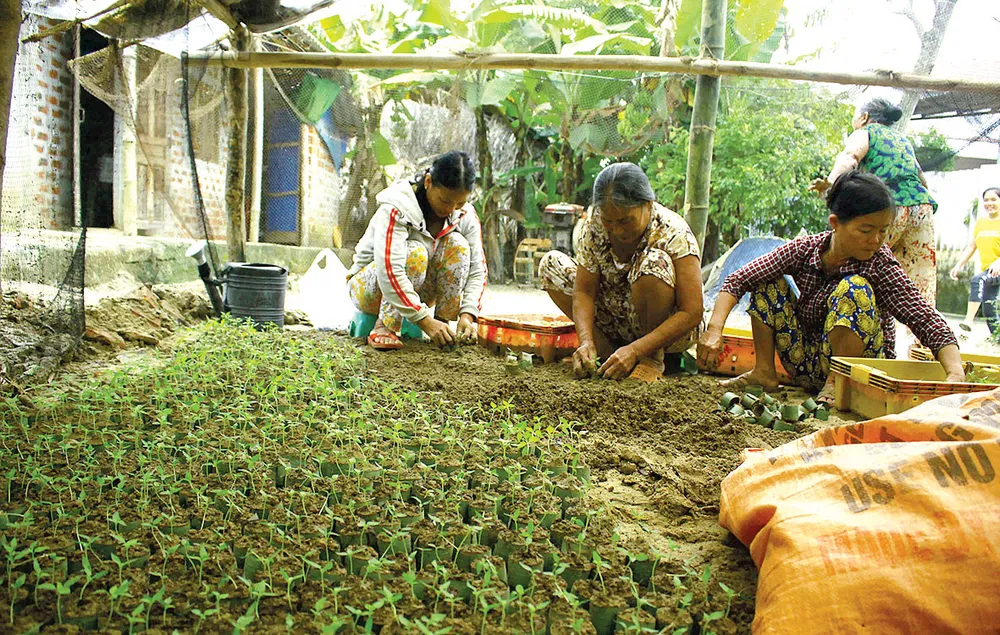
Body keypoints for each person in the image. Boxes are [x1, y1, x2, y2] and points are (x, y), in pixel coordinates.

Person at [699, 171, 964, 404]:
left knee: (854, 288)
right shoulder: (805, 250)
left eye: (883, 231)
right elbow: (739, 278)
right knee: (767, 281)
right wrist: (714, 329)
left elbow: (923, 316)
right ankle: (764, 372)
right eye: (866, 230)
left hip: (860, 373)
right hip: (808, 363)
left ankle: (838, 382)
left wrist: (955, 373)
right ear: (835, 223)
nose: (876, 240)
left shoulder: (880, 263)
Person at [538, 162, 704, 382]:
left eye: (626, 221)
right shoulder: (595, 223)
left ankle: (651, 357)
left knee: (654, 263)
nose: (617, 230)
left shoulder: (673, 232)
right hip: (618, 318)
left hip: (669, 332)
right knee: (551, 265)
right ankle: (604, 352)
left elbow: (692, 311)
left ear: (647, 203)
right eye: (609, 221)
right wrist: (586, 341)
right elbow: (584, 291)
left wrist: (637, 349)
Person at [347, 150, 487, 350]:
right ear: (428, 182)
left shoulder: (464, 215)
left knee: (459, 246)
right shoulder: (397, 207)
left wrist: (468, 315)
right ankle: (385, 326)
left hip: (417, 293)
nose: (451, 209)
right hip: (368, 289)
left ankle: (444, 325)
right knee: (416, 252)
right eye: (445, 200)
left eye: (460, 202)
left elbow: (476, 270)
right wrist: (425, 321)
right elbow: (389, 270)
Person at [812, 98, 938, 315]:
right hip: (922, 208)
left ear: (864, 117)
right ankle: (921, 346)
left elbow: (850, 157)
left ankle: (844, 320)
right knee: (920, 282)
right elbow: (921, 179)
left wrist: (830, 184)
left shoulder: (865, 132)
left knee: (858, 263)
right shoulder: (902, 140)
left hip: (887, 210)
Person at [950, 186, 1000, 337]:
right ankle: (997, 338)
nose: (989, 203)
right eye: (986, 200)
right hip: (990, 270)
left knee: (977, 280)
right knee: (988, 305)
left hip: (997, 268)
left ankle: (968, 321)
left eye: (993, 199)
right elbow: (971, 246)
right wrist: (959, 264)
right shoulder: (981, 223)